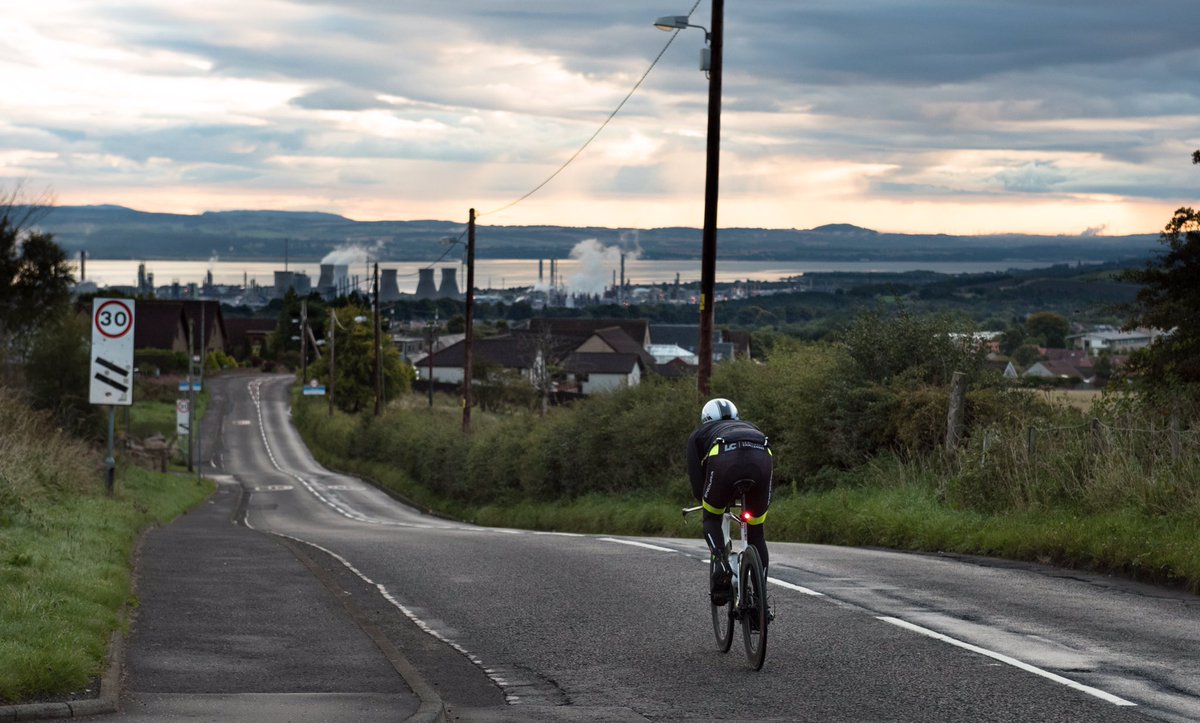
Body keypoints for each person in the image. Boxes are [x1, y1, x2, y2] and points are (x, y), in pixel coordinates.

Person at [686, 397, 772, 605]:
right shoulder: (751, 426)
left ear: (706, 418)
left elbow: (698, 481)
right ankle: (761, 600)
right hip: (762, 455)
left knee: (712, 518)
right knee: (755, 529)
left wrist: (710, 500)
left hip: (724, 458)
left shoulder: (699, 434)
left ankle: (721, 564)